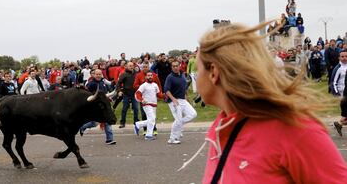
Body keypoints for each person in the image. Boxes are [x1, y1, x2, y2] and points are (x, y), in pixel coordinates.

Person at [193, 22, 347, 183]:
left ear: (213, 72)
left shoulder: (294, 128)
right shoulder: (223, 127)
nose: (196, 77)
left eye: (198, 69)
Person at [80, 69, 116, 145]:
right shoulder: (91, 84)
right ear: (94, 75)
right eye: (97, 74)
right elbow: (86, 94)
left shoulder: (102, 83)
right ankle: (83, 127)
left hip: (103, 106)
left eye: (100, 74)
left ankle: (109, 139)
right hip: (96, 106)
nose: (98, 76)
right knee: (94, 123)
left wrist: (109, 98)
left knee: (107, 121)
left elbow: (105, 93)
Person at [165, 60, 197, 144]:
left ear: (179, 66)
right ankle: (172, 138)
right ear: (171, 67)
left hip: (183, 99)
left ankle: (179, 124)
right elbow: (166, 90)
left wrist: (187, 98)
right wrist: (173, 99)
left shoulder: (182, 75)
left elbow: (184, 88)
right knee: (178, 120)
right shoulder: (170, 77)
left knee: (193, 114)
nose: (175, 67)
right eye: (173, 66)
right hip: (174, 101)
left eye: (177, 66)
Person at [134, 71, 163, 140]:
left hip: (154, 105)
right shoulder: (143, 85)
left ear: (153, 76)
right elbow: (137, 94)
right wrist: (141, 100)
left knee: (152, 120)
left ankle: (138, 124)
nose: (150, 77)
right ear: (146, 77)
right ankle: (148, 135)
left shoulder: (155, 85)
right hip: (146, 104)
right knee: (152, 119)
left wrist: (165, 96)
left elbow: (159, 94)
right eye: (148, 75)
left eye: (151, 75)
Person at [117, 62, 138, 128]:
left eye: (132, 66)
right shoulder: (123, 74)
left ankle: (136, 122)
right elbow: (118, 84)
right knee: (124, 109)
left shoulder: (136, 74)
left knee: (136, 108)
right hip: (126, 94)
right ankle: (122, 123)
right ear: (126, 66)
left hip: (134, 94)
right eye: (130, 66)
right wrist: (119, 91)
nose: (131, 67)